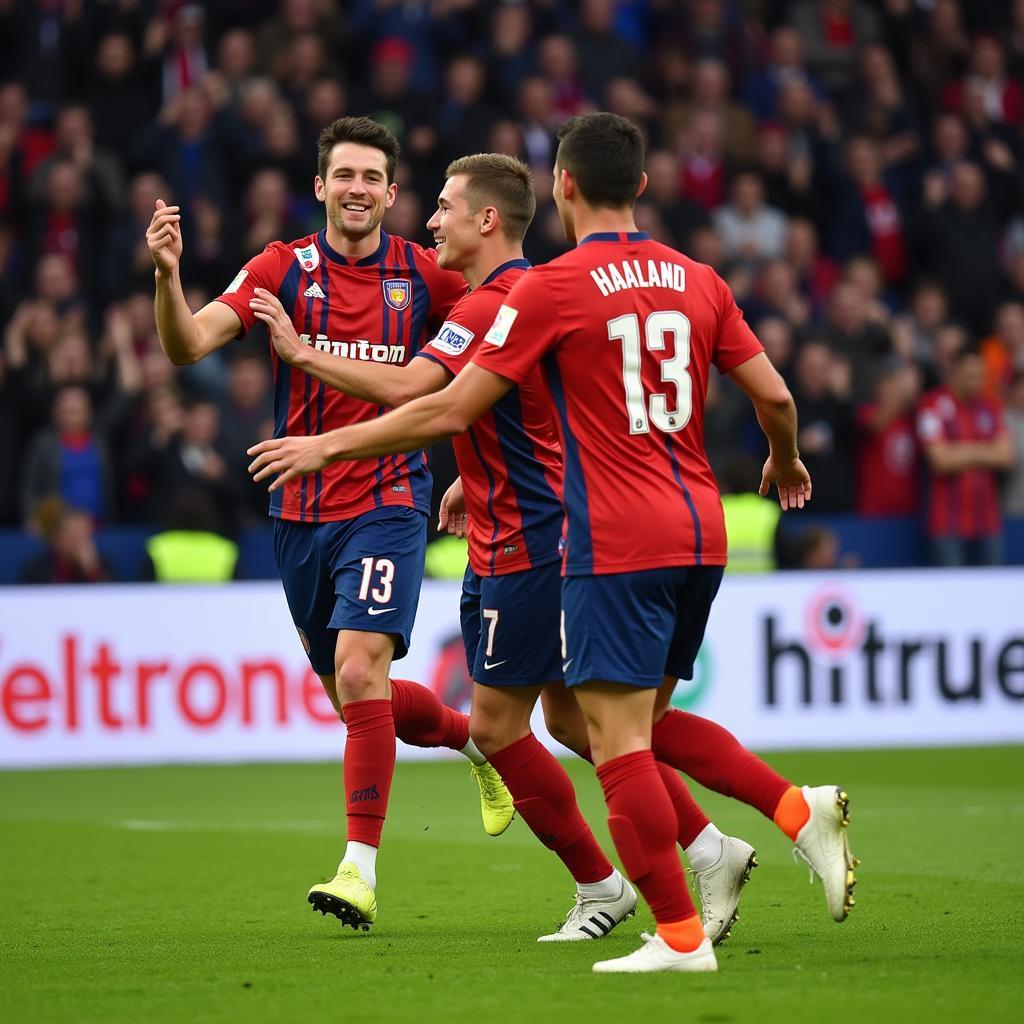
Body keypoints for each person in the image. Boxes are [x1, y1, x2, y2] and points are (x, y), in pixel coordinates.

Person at [248, 114, 859, 974]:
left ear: (542, 195)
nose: (430, 221)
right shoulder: (689, 277)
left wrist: (316, 409)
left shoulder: (527, 293)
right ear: (637, 186)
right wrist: (480, 471)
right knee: (595, 722)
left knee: (555, 730)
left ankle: (666, 904)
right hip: (646, 523)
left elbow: (434, 399)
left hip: (555, 542)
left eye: (448, 208)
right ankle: (736, 838)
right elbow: (560, 409)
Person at [146, 115, 515, 933]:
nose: (356, 189)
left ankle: (359, 870)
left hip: (388, 498)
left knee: (358, 673)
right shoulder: (283, 268)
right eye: (342, 175)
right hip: (298, 512)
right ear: (319, 187)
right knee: (356, 695)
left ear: (391, 192)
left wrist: (473, 473)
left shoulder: (428, 278)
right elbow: (187, 345)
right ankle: (475, 743)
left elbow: (469, 374)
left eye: (371, 178)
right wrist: (168, 278)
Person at [917, 349, 1015, 566]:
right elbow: (940, 461)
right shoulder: (931, 405)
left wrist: (958, 451)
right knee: (952, 595)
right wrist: (986, 450)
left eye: (981, 376)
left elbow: (1007, 456)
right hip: (947, 524)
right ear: (954, 372)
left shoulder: (990, 406)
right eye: (970, 376)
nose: (977, 382)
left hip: (987, 521)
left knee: (993, 593)